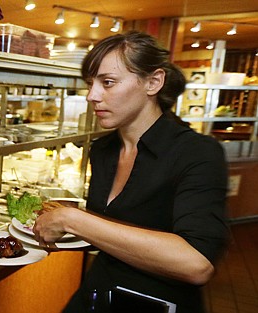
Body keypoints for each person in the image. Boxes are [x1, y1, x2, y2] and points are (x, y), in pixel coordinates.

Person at [33, 31, 229, 313]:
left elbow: (196, 264)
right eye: (90, 84)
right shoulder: (103, 150)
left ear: (154, 82)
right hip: (99, 293)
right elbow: (112, 232)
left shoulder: (197, 152)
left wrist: (73, 220)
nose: (92, 96)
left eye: (108, 83)